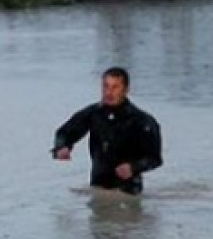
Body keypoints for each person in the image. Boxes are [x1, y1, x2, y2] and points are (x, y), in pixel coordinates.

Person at [51, 67, 163, 195]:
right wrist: (61, 147)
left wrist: (133, 167)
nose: (109, 92)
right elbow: (64, 132)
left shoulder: (142, 121)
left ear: (126, 90)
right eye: (106, 86)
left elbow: (155, 158)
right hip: (98, 187)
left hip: (128, 191)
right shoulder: (93, 113)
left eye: (115, 87)